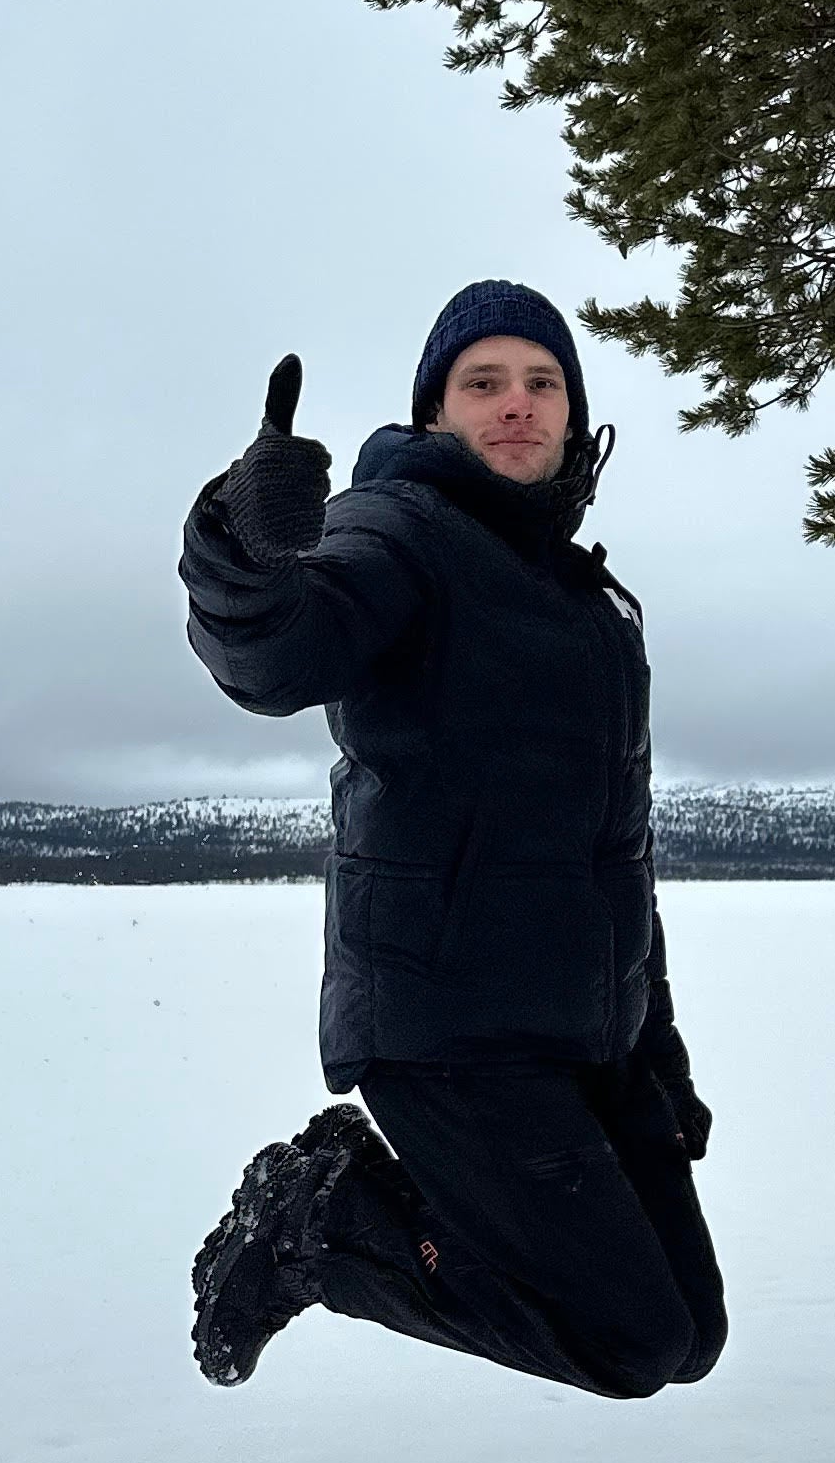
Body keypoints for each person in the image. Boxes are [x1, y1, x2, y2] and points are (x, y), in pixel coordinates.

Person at [177, 282, 725, 1400]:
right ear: (436, 413)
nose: (516, 405)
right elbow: (277, 655)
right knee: (630, 1340)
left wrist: (653, 1049)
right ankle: (318, 1224)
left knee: (691, 1334)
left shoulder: (586, 601)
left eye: (542, 383)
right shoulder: (401, 531)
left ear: (573, 414)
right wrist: (246, 545)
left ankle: (351, 1215)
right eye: (484, 384)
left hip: (586, 1032)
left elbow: (614, 857)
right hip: (451, 1024)